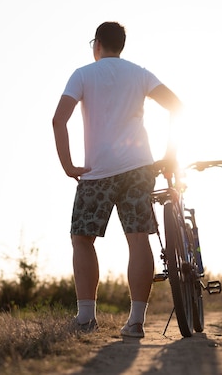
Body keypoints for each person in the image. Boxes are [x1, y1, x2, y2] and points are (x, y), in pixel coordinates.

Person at [52, 22, 183, 338]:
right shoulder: (139, 73)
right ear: (120, 45)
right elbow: (176, 106)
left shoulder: (83, 74)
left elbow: (59, 120)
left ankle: (86, 319)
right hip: (139, 167)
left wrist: (68, 165)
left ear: (97, 44)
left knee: (82, 239)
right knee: (138, 238)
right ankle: (136, 322)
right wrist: (169, 153)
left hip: (97, 172)